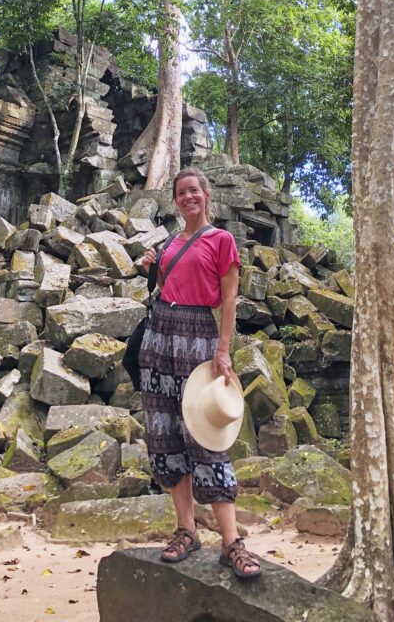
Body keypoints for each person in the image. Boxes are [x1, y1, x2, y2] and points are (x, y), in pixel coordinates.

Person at [139, 166, 261, 579]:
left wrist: (223, 349)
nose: (188, 197)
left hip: (198, 337)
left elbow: (229, 299)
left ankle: (231, 542)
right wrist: (151, 267)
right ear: (174, 201)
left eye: (194, 191)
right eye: (180, 193)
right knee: (165, 433)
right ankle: (186, 531)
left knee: (204, 437)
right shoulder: (170, 241)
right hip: (158, 337)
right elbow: (166, 286)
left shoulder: (222, 240)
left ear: (206, 195)